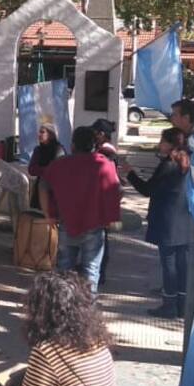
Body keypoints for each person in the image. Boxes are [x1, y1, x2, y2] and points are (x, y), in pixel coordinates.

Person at [38, 127, 122, 293]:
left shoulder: (60, 164)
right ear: (94, 144)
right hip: (94, 225)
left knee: (63, 271)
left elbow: (43, 186)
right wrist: (110, 216)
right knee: (91, 272)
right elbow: (117, 191)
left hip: (66, 223)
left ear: (73, 144)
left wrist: (48, 214)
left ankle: (61, 305)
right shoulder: (104, 164)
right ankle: (87, 307)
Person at [120, 128, 191, 318]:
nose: (160, 145)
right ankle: (183, 305)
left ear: (171, 144)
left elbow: (147, 190)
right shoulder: (187, 162)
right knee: (182, 264)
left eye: (163, 141)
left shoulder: (168, 165)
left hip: (167, 221)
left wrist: (130, 173)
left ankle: (169, 304)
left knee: (169, 264)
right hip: (184, 220)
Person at [89, 118, 120, 288]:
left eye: (95, 132)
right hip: (103, 199)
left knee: (101, 238)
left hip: (102, 199)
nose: (93, 135)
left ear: (101, 134)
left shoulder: (106, 153)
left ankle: (99, 272)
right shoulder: (106, 150)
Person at [27, 124, 64, 210]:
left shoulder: (58, 149)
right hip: (40, 187)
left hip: (54, 189)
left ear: (50, 134)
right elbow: (32, 170)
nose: (39, 135)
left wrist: (42, 170)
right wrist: (46, 169)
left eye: (42, 132)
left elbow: (56, 170)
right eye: (39, 132)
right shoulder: (38, 150)